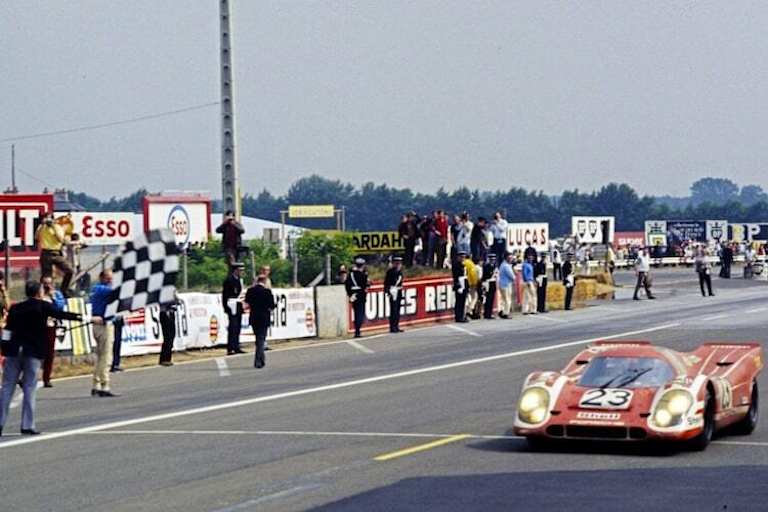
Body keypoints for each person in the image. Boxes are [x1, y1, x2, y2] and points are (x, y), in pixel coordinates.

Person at [0, 281, 81, 436]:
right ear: (39, 292)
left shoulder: (16, 308)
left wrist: (4, 347)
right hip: (32, 351)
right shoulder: (43, 306)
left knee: (7, 387)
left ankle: (0, 422)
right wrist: (82, 317)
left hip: (14, 351)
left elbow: (8, 330)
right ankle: (27, 425)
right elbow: (61, 314)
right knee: (29, 387)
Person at [90, 270, 119, 397]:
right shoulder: (101, 289)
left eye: (111, 278)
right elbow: (117, 291)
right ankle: (105, 385)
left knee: (100, 356)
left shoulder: (96, 289)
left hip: (98, 324)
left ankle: (96, 384)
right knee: (106, 357)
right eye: (108, 278)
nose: (110, 280)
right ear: (101, 278)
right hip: (103, 324)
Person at [35, 212, 74, 295]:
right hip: (46, 253)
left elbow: (61, 239)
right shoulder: (42, 227)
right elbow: (36, 237)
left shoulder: (57, 227)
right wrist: (41, 225)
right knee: (46, 277)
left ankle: (64, 290)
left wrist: (53, 226)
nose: (47, 220)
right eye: (46, 218)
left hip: (56, 253)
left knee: (69, 271)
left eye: (49, 218)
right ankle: (43, 293)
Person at [245, 275, 277, 368]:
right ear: (265, 281)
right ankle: (258, 361)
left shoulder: (250, 290)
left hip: (254, 317)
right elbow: (271, 305)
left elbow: (247, 301)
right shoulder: (267, 291)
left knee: (258, 339)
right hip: (264, 317)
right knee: (261, 339)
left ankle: (261, 359)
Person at [40, 275, 66, 387]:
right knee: (35, 352)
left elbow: (60, 308)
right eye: (45, 284)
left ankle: (47, 378)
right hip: (38, 326)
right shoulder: (38, 294)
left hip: (50, 325)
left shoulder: (56, 294)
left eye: (49, 283)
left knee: (49, 353)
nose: (47, 286)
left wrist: (53, 297)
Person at [222, 263, 246, 355]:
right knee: (233, 327)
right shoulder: (229, 280)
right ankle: (230, 347)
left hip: (238, 305)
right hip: (231, 305)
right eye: (240, 270)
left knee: (238, 327)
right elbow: (225, 295)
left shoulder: (239, 280)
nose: (242, 272)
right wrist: (226, 307)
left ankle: (236, 346)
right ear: (236, 270)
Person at [345, 257, 369, 337]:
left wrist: (350, 294)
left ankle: (357, 331)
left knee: (356, 312)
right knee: (360, 313)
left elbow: (347, 285)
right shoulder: (363, 275)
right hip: (361, 294)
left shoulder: (351, 274)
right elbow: (365, 285)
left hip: (353, 294)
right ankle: (358, 331)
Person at [384, 256, 405, 333]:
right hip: (393, 291)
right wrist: (387, 291)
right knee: (393, 309)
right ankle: (392, 327)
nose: (398, 265)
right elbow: (386, 282)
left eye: (399, 263)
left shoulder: (400, 272)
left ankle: (396, 325)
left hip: (398, 291)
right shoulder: (390, 272)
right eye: (397, 263)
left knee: (398, 309)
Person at [158, 298, 179, 366]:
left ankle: (168, 358)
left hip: (171, 313)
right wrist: (171, 302)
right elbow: (163, 302)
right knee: (167, 337)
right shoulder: (163, 294)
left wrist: (176, 301)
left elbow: (177, 301)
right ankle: (164, 359)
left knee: (172, 336)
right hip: (165, 313)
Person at [498, 252, 516, 319]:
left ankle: (502, 311)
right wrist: (514, 277)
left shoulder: (502, 264)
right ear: (506, 258)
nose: (511, 259)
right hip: (506, 284)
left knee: (503, 299)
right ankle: (506, 313)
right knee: (507, 299)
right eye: (510, 258)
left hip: (502, 284)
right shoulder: (506, 266)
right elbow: (512, 276)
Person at [453, 252, 469, 322]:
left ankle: (462, 315)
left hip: (464, 283)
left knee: (463, 301)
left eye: (464, 257)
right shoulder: (456, 265)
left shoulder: (464, 265)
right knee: (459, 301)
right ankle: (458, 316)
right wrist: (458, 285)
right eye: (461, 257)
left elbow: (466, 276)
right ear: (458, 257)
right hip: (459, 283)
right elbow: (456, 276)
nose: (463, 259)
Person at [482, 254, 498, 319]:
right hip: (488, 282)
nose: (493, 261)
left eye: (494, 260)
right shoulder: (486, 266)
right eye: (491, 259)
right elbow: (486, 275)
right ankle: (487, 313)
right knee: (488, 299)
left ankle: (490, 313)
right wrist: (492, 273)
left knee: (491, 299)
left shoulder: (494, 266)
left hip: (493, 283)